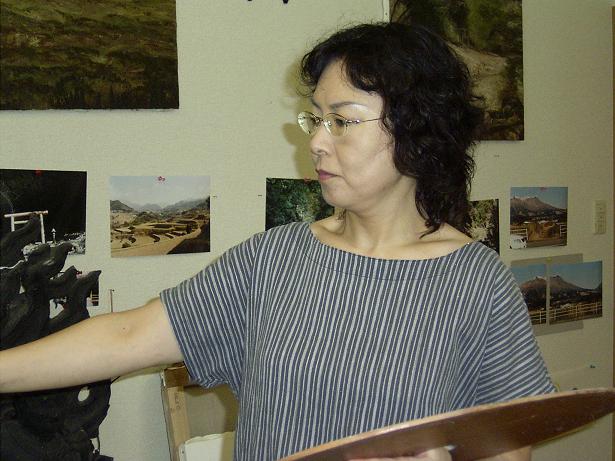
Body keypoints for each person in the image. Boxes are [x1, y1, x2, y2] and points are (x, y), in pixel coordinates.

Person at [0, 22, 554, 461]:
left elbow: (509, 447)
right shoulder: (275, 258)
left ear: (418, 128)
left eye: (342, 121)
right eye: (316, 119)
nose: (316, 142)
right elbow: (127, 334)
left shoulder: (477, 283)